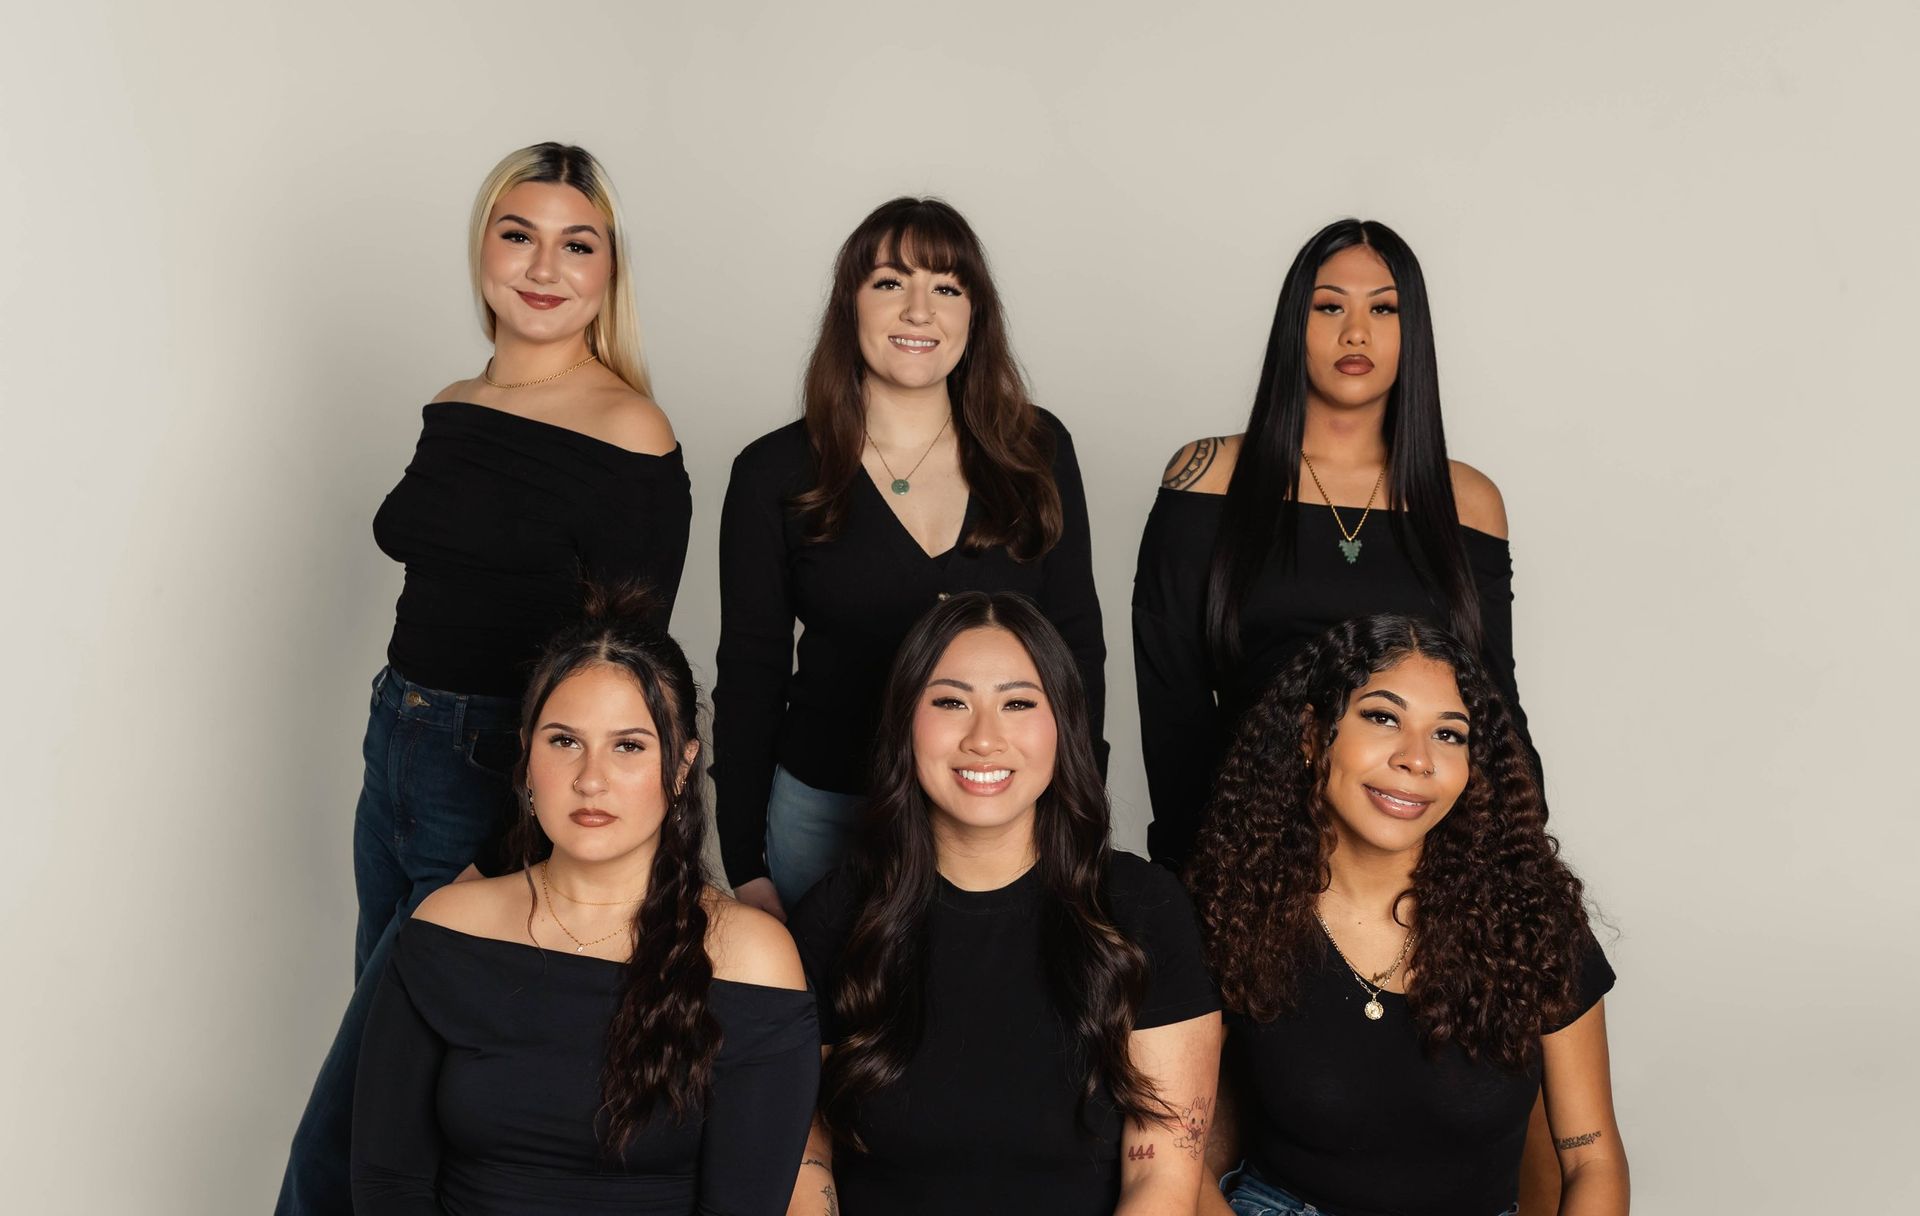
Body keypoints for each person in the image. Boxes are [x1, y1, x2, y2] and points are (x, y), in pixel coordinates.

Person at [277, 142, 691, 1214]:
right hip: (397, 742)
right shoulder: (455, 403)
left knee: (359, 1078)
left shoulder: (628, 429)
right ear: (483, 250)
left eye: (576, 243)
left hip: (496, 761)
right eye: (519, 234)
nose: (544, 265)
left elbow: (630, 661)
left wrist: (535, 821)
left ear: (608, 272)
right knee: (397, 1066)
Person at [351, 584, 817, 1214]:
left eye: (629, 746)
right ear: (525, 755)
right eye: (563, 741)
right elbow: (387, 1183)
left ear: (682, 766)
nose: (590, 778)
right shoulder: (446, 928)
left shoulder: (753, 960)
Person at [716, 197, 1104, 920]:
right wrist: (744, 861)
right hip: (827, 810)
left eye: (947, 288)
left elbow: (1076, 643)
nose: (919, 310)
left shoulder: (1038, 450)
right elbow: (749, 674)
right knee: (820, 1024)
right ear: (850, 305)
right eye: (891, 283)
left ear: (974, 316)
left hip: (1001, 813)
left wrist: (1081, 808)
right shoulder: (773, 471)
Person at [787, 592, 1219, 1216]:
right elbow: (805, 1159)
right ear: (906, 721)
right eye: (950, 702)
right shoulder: (836, 918)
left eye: (1018, 703)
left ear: (1063, 726)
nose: (984, 738)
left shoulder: (1144, 910)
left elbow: (1162, 1182)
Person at [1186, 615, 1627, 1216]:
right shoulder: (1232, 907)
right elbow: (1172, 1160)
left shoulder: (1533, 919)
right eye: (1382, 717)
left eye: (1449, 734)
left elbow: (1592, 1159)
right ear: (1313, 735)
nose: (1417, 759)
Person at [1133, 218, 1532, 872]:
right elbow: (1171, 705)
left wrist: (1520, 865)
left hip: (1422, 855)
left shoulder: (1468, 500)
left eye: (1383, 308)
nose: (1356, 332)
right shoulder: (1207, 477)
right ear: (1296, 324)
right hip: (1250, 854)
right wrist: (1195, 873)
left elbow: (1497, 710)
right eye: (1329, 307)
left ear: (1414, 332)